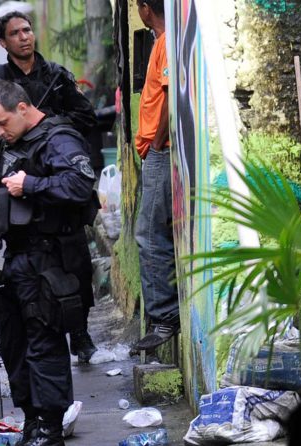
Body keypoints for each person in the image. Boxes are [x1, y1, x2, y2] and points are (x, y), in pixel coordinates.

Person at [0, 80, 98, 446]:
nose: (0, 133)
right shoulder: (13, 143)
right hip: (17, 259)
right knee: (14, 344)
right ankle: (32, 421)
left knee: (43, 344)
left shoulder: (58, 138)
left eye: (3, 123)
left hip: (50, 259)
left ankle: (50, 427)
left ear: (22, 107)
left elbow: (81, 184)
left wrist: (32, 185)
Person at [0, 10, 99, 363]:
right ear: (3, 42)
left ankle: (79, 333)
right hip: (20, 181)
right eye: (16, 32)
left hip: (55, 172)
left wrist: (49, 126)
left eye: (27, 30)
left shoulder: (54, 75)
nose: (25, 37)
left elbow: (86, 117)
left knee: (75, 266)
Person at [133, 0, 179, 351]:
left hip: (159, 152)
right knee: (153, 232)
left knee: (149, 234)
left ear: (145, 8)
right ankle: (162, 315)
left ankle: (164, 318)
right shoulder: (162, 39)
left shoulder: (165, 42)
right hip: (156, 150)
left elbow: (166, 98)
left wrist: (159, 143)